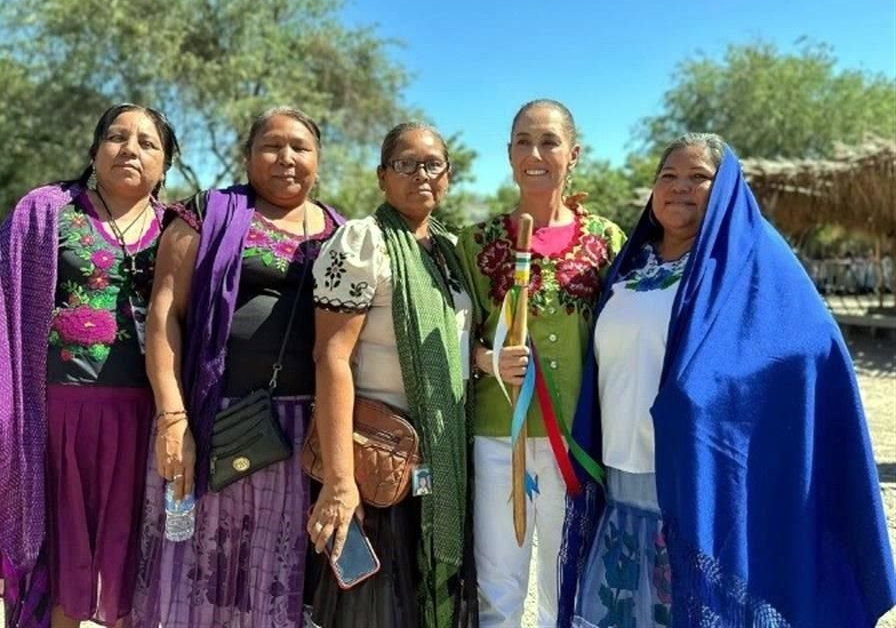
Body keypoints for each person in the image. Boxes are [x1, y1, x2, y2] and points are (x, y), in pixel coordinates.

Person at [557, 133, 896, 628]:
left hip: (698, 473)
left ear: (727, 188)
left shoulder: (750, 259)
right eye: (667, 176)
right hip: (622, 473)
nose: (680, 187)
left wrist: (705, 395)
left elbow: (811, 345)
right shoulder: (631, 265)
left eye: (699, 177)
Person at [0, 103, 180, 627]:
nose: (130, 148)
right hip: (56, 423)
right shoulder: (47, 211)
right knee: (60, 568)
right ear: (94, 151)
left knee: (132, 568)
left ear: (166, 166)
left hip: (143, 426)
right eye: (117, 136)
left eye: (148, 143)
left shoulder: (178, 230)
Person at [131, 107, 341, 628]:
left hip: (303, 434)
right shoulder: (206, 214)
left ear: (318, 160)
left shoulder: (339, 230)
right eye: (271, 146)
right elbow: (164, 316)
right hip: (213, 421)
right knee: (200, 569)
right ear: (248, 157)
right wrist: (173, 418)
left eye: (300, 147)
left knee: (279, 577)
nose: (286, 158)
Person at [455, 100, 624, 627]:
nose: (535, 153)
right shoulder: (475, 242)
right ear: (508, 154)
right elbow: (452, 336)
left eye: (549, 141)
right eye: (523, 141)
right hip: (497, 435)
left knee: (567, 578)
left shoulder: (606, 241)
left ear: (572, 154)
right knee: (498, 584)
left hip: (577, 439)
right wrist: (486, 359)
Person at [307, 122, 475, 628]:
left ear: (447, 176)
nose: (420, 174)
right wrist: (340, 483)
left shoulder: (450, 253)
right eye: (406, 164)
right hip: (377, 464)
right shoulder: (364, 244)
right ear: (382, 176)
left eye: (433, 164)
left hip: (440, 461)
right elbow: (331, 357)